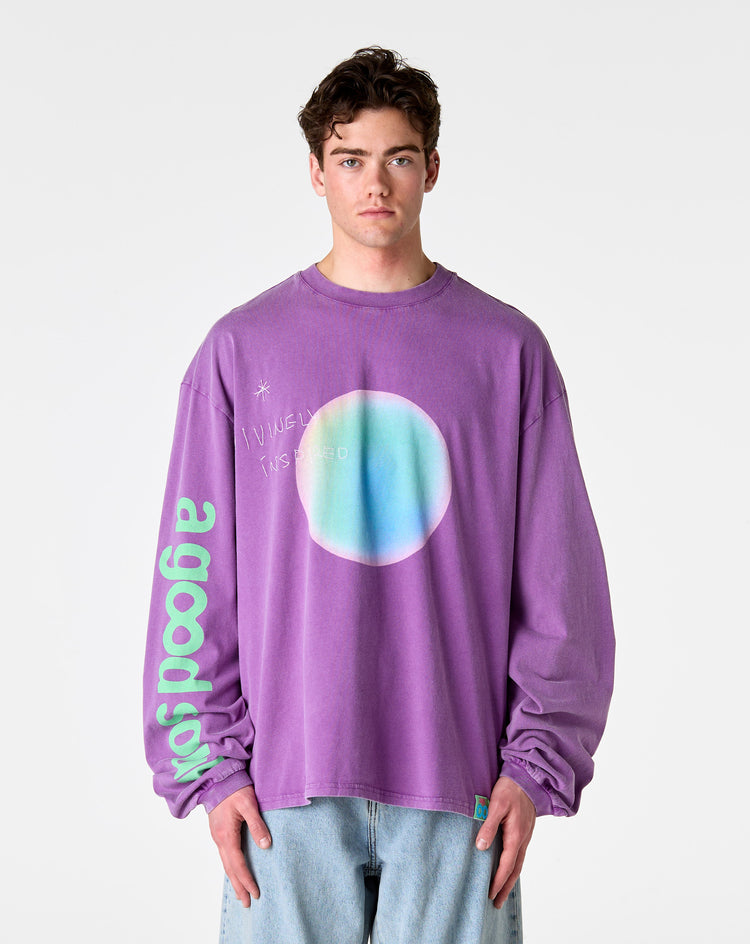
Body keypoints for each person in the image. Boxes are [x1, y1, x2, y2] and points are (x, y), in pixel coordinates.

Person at [143, 46, 615, 944]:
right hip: (283, 792)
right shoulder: (240, 351)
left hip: (460, 788)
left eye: (398, 157)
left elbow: (562, 583)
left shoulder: (506, 352)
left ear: (431, 168)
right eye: (351, 157)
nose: (375, 183)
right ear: (316, 171)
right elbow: (192, 569)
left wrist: (536, 766)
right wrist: (210, 768)